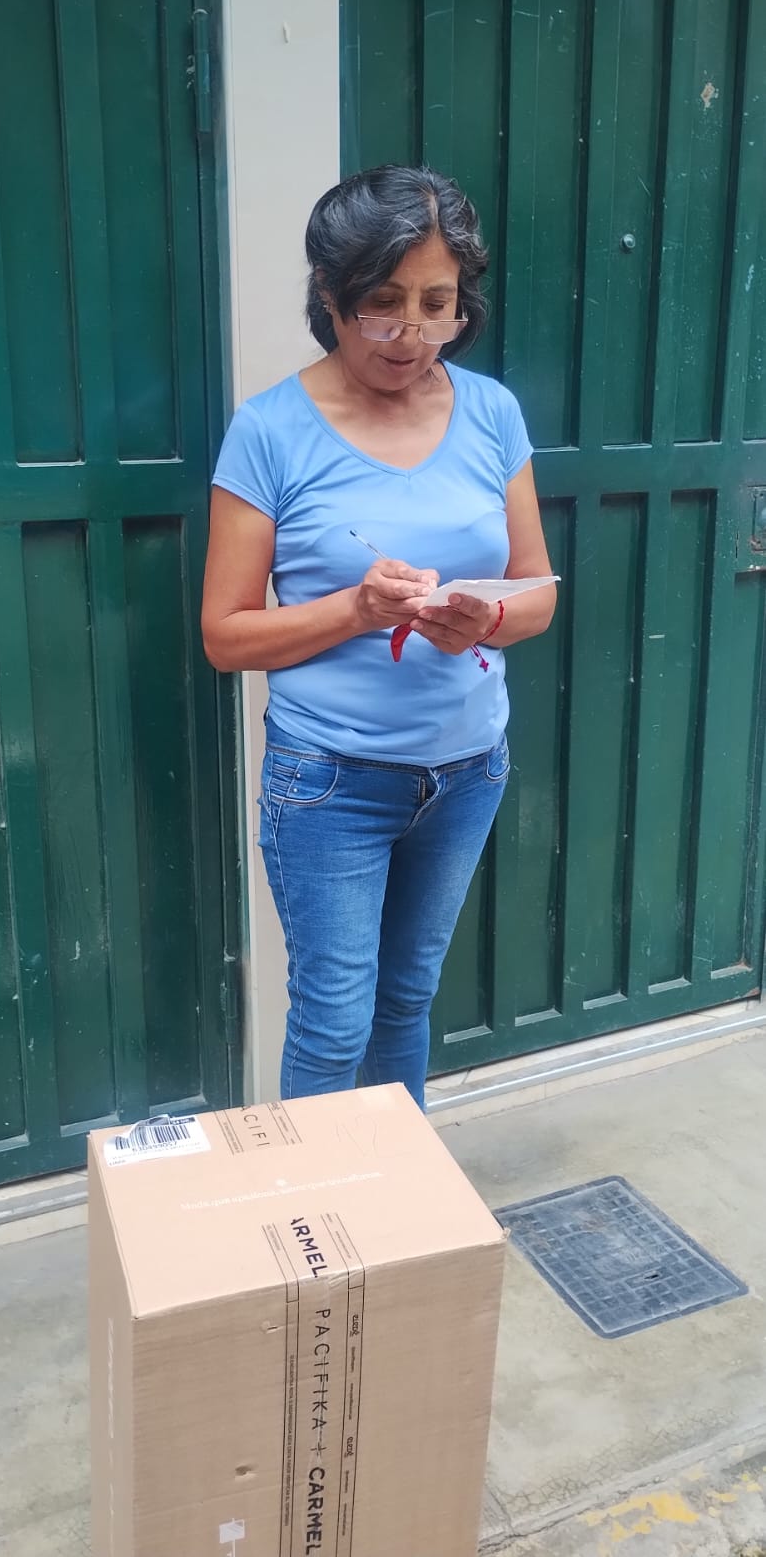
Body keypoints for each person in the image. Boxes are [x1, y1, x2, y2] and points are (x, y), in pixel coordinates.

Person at [202, 164, 555, 1108]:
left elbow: (537, 596)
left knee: (406, 1001)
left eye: (437, 304)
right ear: (329, 294)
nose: (411, 332)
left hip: (468, 769)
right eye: (382, 303)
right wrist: (355, 611)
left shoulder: (492, 413)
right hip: (330, 780)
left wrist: (484, 618)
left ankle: (398, 1195)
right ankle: (319, 1203)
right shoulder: (269, 431)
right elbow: (225, 636)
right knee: (333, 1019)